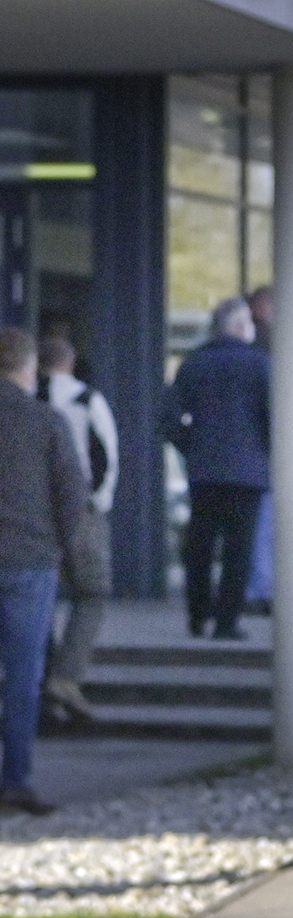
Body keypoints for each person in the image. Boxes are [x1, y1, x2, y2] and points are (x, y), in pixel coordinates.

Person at [0, 327, 87, 814]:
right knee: (23, 676)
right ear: (28, 368)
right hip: (30, 563)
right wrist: (59, 545)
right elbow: (72, 496)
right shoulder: (45, 421)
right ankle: (14, 780)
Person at [163, 297, 271, 640]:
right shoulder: (260, 364)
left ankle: (197, 616)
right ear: (241, 327)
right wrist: (266, 450)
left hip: (204, 470)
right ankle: (226, 622)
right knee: (239, 549)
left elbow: (169, 417)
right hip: (248, 472)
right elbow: (274, 415)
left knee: (201, 545)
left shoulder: (193, 364)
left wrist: (191, 446)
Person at [37, 336, 120, 721]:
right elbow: (107, 457)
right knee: (92, 592)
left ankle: (44, 683)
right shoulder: (89, 401)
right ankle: (65, 678)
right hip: (82, 510)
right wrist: (98, 503)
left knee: (39, 596)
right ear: (70, 362)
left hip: (33, 511)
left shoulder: (27, 401)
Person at [244, 284, 276, 615]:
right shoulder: (266, 350)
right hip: (265, 454)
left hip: (252, 453)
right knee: (264, 523)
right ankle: (262, 588)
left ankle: (259, 585)